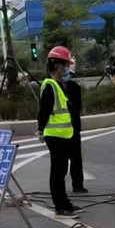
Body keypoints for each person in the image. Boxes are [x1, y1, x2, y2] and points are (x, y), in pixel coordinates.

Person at [37, 46, 81, 218]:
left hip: (63, 136)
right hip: (54, 137)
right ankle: (60, 207)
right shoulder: (50, 86)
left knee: (61, 170)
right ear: (58, 66)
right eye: (65, 65)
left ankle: (65, 203)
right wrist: (40, 130)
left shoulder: (58, 85)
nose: (67, 69)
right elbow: (44, 112)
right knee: (57, 171)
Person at [62, 60, 88, 194]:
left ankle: (78, 184)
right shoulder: (52, 86)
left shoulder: (75, 87)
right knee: (61, 161)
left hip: (73, 127)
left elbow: (78, 108)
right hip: (59, 131)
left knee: (76, 158)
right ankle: (59, 188)